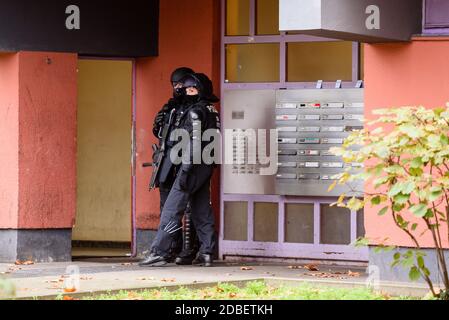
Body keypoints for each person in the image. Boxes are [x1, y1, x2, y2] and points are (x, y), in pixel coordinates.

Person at [139, 73, 220, 267]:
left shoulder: (194, 112)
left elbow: (194, 142)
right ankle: (207, 252)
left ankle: (159, 251)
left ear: (201, 91)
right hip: (206, 165)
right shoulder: (212, 110)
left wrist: (185, 169)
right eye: (187, 90)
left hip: (192, 166)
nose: (187, 93)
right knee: (201, 209)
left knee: (171, 208)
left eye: (192, 90)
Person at [149, 67, 196, 262]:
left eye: (180, 84)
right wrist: (158, 123)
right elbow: (160, 134)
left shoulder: (196, 107)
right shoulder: (170, 107)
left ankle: (191, 248)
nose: (177, 88)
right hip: (168, 163)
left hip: (187, 163)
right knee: (166, 207)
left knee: (192, 209)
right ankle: (170, 246)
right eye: (174, 85)